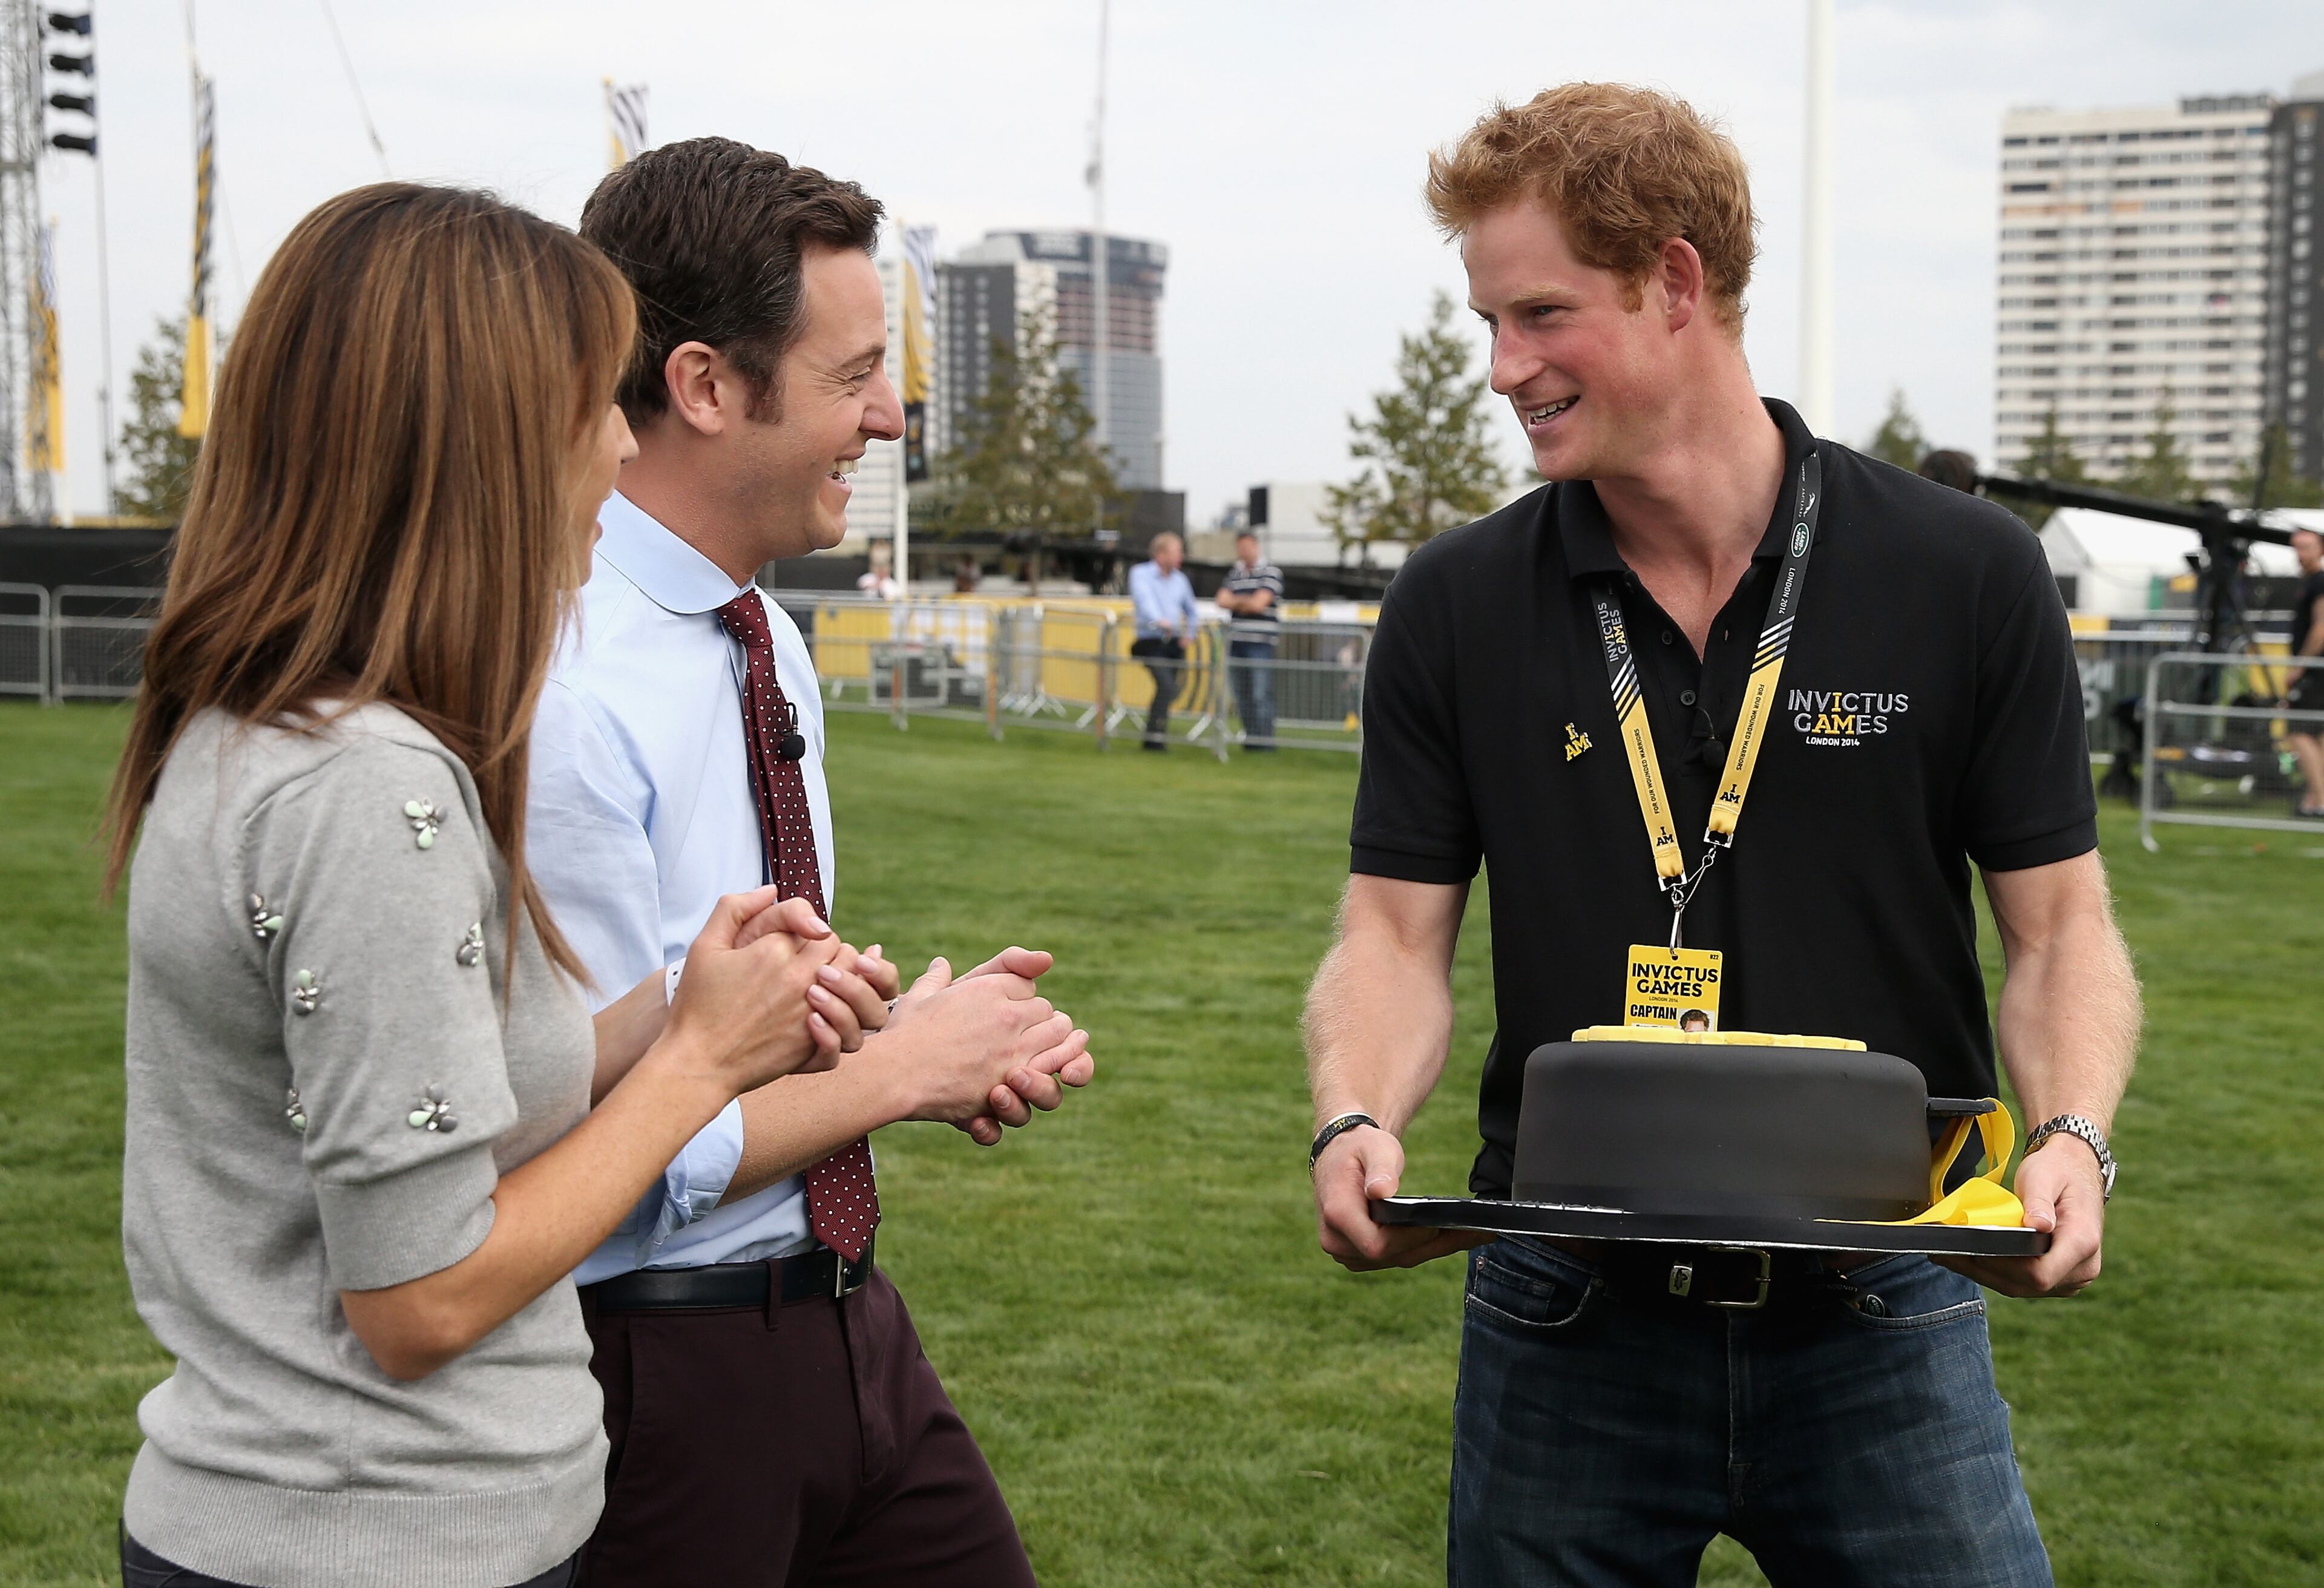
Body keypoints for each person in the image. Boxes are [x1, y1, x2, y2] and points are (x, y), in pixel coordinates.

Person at [1305, 85, 2140, 1586]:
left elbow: (2060, 925)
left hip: (1885, 1300)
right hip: (1565, 1314)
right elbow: (1390, 931)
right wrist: (1354, 1109)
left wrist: (2070, 1131)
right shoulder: (1454, 601)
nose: (1502, 367)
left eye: (1540, 314)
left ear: (1674, 281)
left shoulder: (1963, 572)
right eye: (1489, 321)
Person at [103, 184, 881, 1588]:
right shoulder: (364, 790)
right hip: (371, 1543)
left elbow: (427, 1096)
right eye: (590, 405)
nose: (618, 445)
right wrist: (698, 1064)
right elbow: (417, 1296)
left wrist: (679, 1009)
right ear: (477, 444)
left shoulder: (286, 735)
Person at [528, 137, 1094, 1587]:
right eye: (854, 376)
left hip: (845, 1323)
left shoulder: (765, 634)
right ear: (706, 386)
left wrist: (899, 1028)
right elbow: (596, 1144)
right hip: (652, 1374)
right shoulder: (564, 685)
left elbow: (728, 1029)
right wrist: (904, 1076)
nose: (889, 416)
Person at [1128, 530, 1200, 750]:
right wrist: (1159, 621)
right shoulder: (1141, 574)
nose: (1181, 557)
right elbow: (1144, 600)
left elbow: (1192, 611)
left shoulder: (1181, 580)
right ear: (1161, 554)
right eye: (1177, 552)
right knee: (1167, 686)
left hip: (1174, 643)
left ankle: (1155, 736)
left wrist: (1190, 634)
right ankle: (1155, 738)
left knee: (1169, 689)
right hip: (1151, 642)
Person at [1216, 528, 1286, 749]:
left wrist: (1236, 602)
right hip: (1236, 642)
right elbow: (1221, 600)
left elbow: (1258, 604)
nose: (1243, 551)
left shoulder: (1271, 572)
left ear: (1256, 546)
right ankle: (1251, 739)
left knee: (1260, 693)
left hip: (1261, 644)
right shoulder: (1235, 573)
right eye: (1240, 547)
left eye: (1247, 546)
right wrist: (1247, 602)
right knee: (1242, 694)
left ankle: (1264, 742)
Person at [2285, 526, 2324, 818]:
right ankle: (2314, 798)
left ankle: (2319, 801)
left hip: (2315, 673)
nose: (2301, 554)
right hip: (2315, 671)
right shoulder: (2309, 582)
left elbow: (2321, 627)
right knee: (2319, 734)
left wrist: (2300, 666)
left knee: (2299, 732)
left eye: (2307, 547)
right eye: (2297, 547)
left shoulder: (2319, 582)